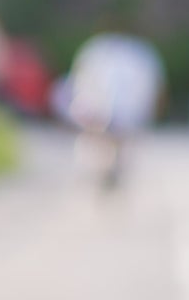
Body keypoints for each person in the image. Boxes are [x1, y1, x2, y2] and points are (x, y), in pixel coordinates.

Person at [54, 27, 166, 188]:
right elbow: (157, 90)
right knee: (115, 138)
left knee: (103, 137)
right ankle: (109, 169)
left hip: (101, 111)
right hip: (128, 113)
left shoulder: (95, 49)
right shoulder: (143, 53)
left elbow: (79, 82)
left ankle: (103, 169)